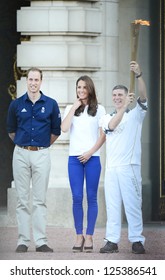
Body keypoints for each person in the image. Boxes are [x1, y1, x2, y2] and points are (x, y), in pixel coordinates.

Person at [7, 67, 61, 253]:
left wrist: (41, 146)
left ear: (41, 81)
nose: (33, 83)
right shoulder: (16, 104)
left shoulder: (51, 104)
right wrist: (24, 146)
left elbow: (56, 131)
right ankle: (23, 241)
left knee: (39, 200)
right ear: (26, 81)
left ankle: (40, 241)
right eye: (30, 79)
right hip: (20, 154)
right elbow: (11, 130)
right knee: (22, 200)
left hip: (42, 153)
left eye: (36, 80)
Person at [100, 61, 147, 254]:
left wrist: (138, 75)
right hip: (112, 168)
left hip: (130, 167)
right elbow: (111, 126)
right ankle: (112, 240)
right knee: (112, 206)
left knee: (133, 205)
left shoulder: (136, 115)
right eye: (115, 95)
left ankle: (137, 240)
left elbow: (143, 97)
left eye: (121, 95)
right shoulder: (106, 117)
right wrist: (123, 107)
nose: (117, 98)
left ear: (127, 96)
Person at [61, 75, 106, 252]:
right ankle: (78, 235)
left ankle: (89, 236)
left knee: (92, 197)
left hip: (92, 158)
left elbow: (103, 136)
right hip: (74, 160)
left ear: (90, 89)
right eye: (78, 87)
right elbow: (64, 128)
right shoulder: (71, 108)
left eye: (84, 87)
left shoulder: (99, 109)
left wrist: (90, 152)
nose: (81, 90)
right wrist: (73, 107)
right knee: (77, 197)